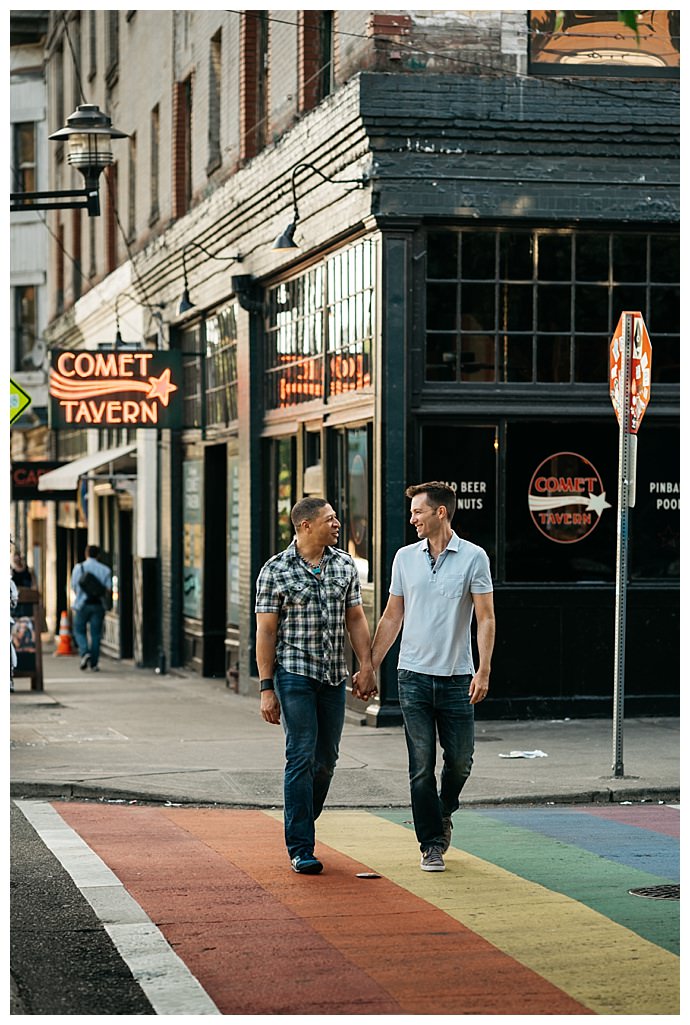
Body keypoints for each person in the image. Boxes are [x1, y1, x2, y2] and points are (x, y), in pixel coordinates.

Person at [356, 481, 495, 873]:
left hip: (456, 678)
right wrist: (370, 666)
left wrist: (483, 669)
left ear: (440, 512)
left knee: (461, 762)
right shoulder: (404, 558)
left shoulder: (474, 557)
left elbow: (485, 617)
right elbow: (392, 615)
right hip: (412, 677)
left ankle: (444, 809)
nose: (412, 518)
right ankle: (431, 843)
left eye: (418, 511)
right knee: (420, 765)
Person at [255, 497, 378, 875]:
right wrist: (266, 688)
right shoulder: (275, 570)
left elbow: (356, 618)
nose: (337, 524)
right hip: (294, 675)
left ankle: (303, 817)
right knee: (301, 755)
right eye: (330, 519)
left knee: (326, 761)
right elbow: (266, 630)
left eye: (336, 518)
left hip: (332, 676)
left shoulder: (343, 565)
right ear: (306, 526)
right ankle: (301, 846)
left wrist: (366, 665)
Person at [71, 545, 112, 672]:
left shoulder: (79, 568)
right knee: (96, 634)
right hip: (98, 605)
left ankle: (84, 652)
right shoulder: (105, 570)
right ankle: (94, 664)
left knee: (79, 630)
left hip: (82, 605)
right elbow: (109, 589)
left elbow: (74, 586)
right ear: (98, 555)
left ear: (86, 554)